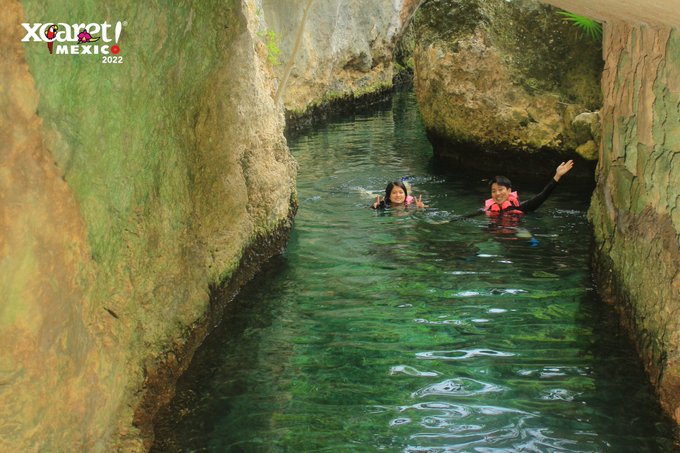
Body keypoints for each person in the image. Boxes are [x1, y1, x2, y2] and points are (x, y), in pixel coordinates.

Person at [480, 160, 574, 215]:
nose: (497, 194)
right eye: (493, 191)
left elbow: (542, 196)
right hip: (496, 235)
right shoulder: (488, 209)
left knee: (532, 243)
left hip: (516, 233)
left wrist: (557, 175)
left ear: (509, 191)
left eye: (500, 189)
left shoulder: (520, 208)